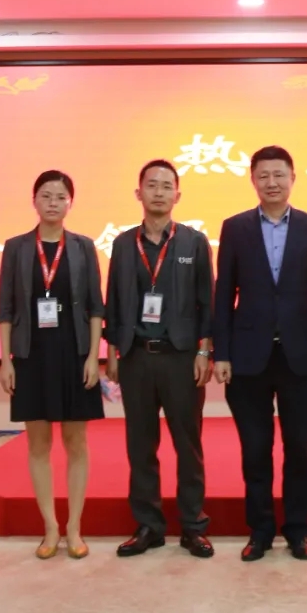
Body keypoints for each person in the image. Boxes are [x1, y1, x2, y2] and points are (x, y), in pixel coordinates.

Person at [213, 146, 307, 562]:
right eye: (263, 175)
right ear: (253, 180)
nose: (272, 183)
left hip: (301, 357)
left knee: (299, 449)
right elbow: (223, 295)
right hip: (247, 358)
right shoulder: (235, 228)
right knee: (255, 450)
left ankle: (299, 531)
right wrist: (221, 353)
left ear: (292, 178)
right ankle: (260, 531)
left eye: (279, 175)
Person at [104, 159, 215, 559]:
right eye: (152, 185)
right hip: (136, 358)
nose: (159, 192)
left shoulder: (193, 242)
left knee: (189, 445)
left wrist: (204, 350)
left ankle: (193, 526)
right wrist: (111, 353)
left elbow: (207, 302)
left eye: (167, 186)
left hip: (181, 358)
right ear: (139, 193)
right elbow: (114, 303)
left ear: (177, 196)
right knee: (140, 445)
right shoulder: (123, 244)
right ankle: (148, 526)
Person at [0, 170, 105, 560]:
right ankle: (50, 528)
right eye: (46, 195)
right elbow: (5, 309)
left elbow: (96, 307)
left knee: (76, 443)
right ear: (34, 201)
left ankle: (74, 526)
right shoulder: (16, 248)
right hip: (31, 355)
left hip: (74, 354)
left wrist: (93, 357)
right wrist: (6, 360)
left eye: (60, 196)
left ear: (70, 203)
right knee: (38, 445)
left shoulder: (83, 247)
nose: (53, 203)